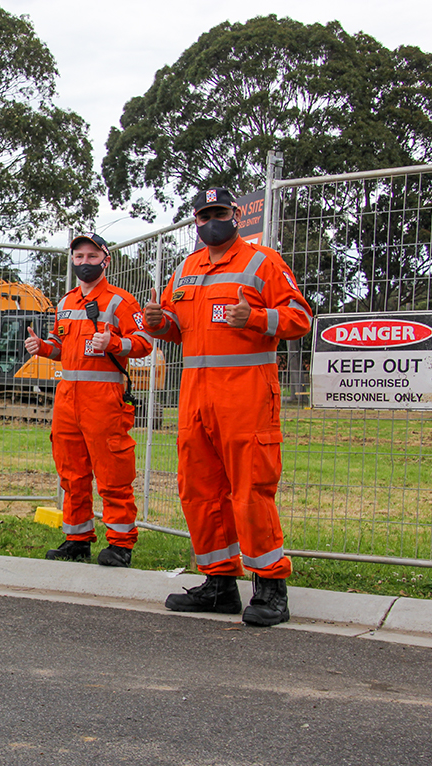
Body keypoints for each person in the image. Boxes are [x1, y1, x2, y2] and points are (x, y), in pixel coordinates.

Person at [144, 187, 313, 626]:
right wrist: (158, 323)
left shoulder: (263, 262)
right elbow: (178, 327)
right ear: (196, 221)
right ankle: (219, 584)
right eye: (203, 216)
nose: (210, 222)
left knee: (251, 489)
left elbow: (300, 318)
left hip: (246, 397)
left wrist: (256, 318)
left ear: (236, 214)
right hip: (196, 398)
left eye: (219, 213)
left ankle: (270, 587)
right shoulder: (186, 269)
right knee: (199, 490)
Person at [24, 233, 152, 567]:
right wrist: (43, 348)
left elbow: (144, 342)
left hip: (104, 401)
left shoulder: (121, 302)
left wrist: (114, 344)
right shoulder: (65, 303)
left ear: (105, 260)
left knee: (113, 473)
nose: (84, 262)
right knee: (72, 473)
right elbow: (60, 346)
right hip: (68, 399)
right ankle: (77, 539)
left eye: (92, 256)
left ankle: (120, 544)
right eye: (79, 257)